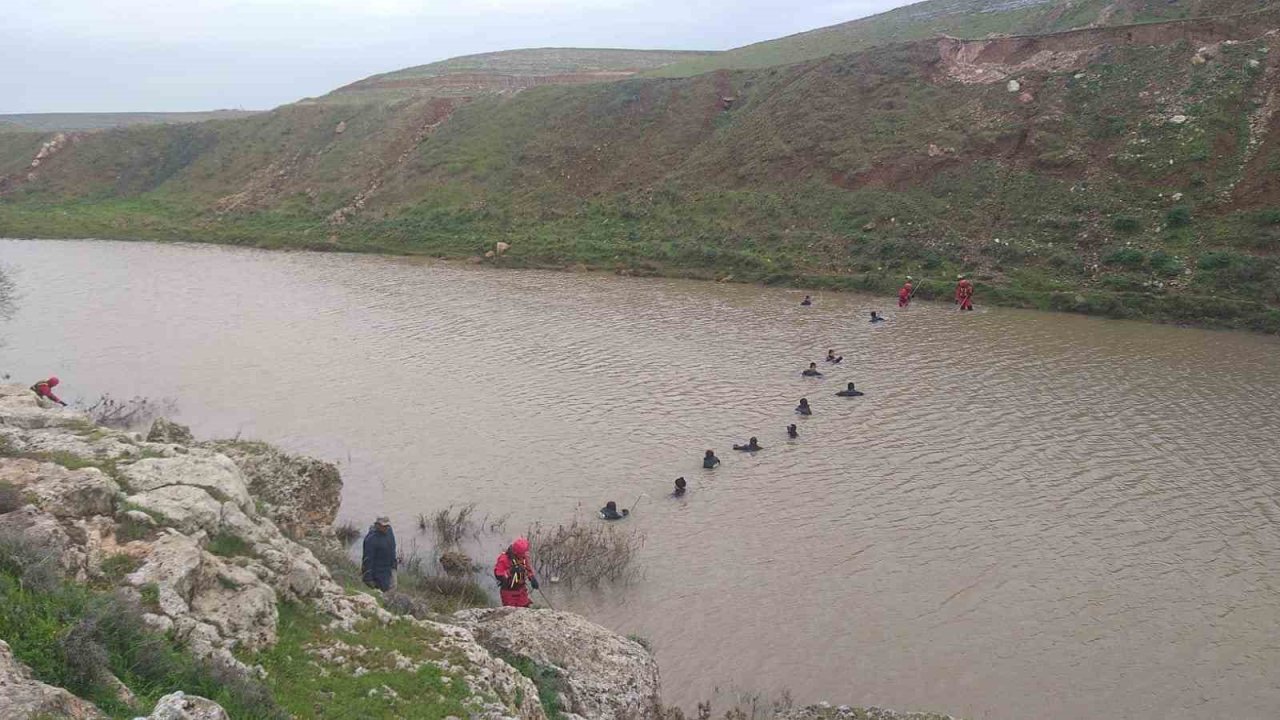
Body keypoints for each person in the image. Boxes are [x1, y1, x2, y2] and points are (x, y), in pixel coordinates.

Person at [494, 537, 538, 608]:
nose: (525, 554)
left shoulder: (523, 557)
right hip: (509, 592)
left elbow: (528, 569)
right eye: (524, 552)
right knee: (511, 611)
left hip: (522, 591)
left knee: (526, 609)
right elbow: (498, 575)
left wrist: (532, 578)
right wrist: (511, 571)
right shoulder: (504, 559)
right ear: (517, 552)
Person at [360, 516, 397, 592]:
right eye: (383, 526)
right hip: (379, 573)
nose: (385, 528)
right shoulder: (371, 540)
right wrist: (368, 578)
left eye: (387, 525)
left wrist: (394, 564)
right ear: (377, 525)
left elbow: (393, 547)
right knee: (384, 591)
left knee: (393, 587)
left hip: (391, 567)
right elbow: (367, 560)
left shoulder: (389, 531)